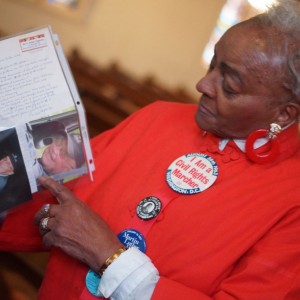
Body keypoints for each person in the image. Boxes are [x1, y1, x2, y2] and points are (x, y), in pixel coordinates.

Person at [1, 0, 300, 299]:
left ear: (283, 114)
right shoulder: (158, 116)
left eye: (230, 86)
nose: (202, 85)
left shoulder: (292, 199)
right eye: (212, 64)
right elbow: (55, 196)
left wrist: (109, 256)